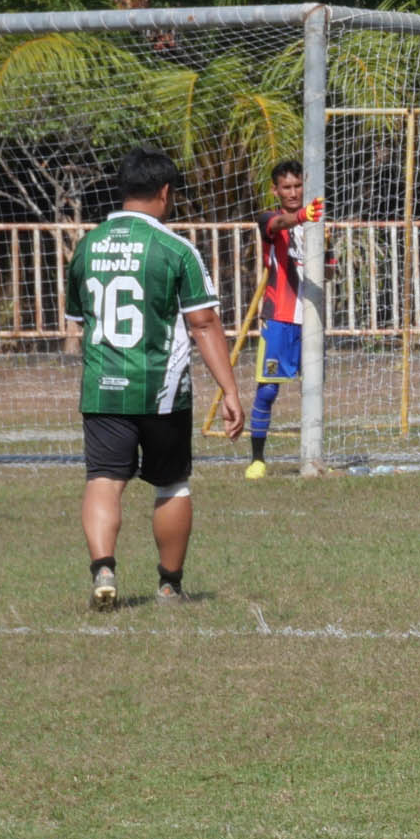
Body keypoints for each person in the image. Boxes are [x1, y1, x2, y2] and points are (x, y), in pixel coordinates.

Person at [67, 148, 246, 610]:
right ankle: (169, 585)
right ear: (166, 192)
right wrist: (229, 390)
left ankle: (103, 568)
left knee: (104, 479)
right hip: (162, 392)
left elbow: (80, 319)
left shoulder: (87, 245)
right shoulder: (175, 249)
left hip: (103, 387)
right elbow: (203, 323)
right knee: (172, 484)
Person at [245, 161, 322, 480]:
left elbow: (330, 270)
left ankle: (314, 457)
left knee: (315, 388)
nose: (293, 192)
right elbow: (280, 223)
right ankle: (257, 459)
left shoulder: (317, 225)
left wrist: (328, 255)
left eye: (298, 186)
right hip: (279, 318)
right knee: (267, 391)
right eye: (286, 187)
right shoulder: (269, 219)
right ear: (275, 190)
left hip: (312, 320)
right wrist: (303, 216)